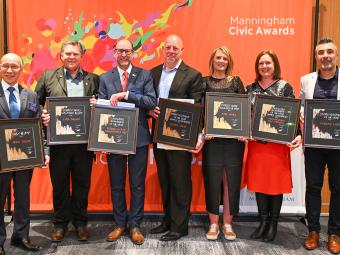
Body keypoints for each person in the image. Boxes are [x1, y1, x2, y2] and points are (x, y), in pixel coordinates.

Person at [35, 40, 99, 242]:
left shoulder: (93, 79)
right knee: (60, 184)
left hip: (84, 144)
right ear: (61, 56)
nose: (72, 57)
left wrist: (98, 105)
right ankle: (60, 224)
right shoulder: (47, 77)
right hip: (58, 144)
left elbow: (103, 107)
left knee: (82, 184)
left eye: (76, 54)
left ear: (82, 56)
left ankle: (81, 223)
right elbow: (33, 103)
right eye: (68, 54)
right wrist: (42, 115)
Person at [97, 39, 156, 245]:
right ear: (114, 53)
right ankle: (120, 223)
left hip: (138, 138)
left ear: (133, 53)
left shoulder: (145, 75)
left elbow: (151, 102)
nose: (123, 54)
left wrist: (127, 94)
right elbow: (102, 108)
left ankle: (135, 225)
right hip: (114, 138)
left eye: (127, 51)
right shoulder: (105, 78)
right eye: (120, 51)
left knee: (137, 185)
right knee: (116, 184)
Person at [148, 34, 203, 241]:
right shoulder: (153, 73)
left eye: (175, 48)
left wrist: (196, 136)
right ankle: (168, 220)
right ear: (163, 49)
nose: (171, 51)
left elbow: (197, 107)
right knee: (165, 180)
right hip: (158, 136)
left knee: (180, 181)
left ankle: (180, 226)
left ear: (182, 51)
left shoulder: (193, 75)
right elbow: (147, 100)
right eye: (168, 47)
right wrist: (149, 111)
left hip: (180, 137)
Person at [245, 50, 300, 242]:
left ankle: (273, 224)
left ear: (275, 65)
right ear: (257, 67)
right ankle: (262, 222)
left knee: (275, 186)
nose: (264, 67)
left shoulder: (285, 87)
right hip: (256, 146)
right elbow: (244, 116)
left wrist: (297, 134)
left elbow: (292, 116)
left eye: (268, 63)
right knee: (260, 184)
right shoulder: (249, 88)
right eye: (261, 63)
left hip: (277, 146)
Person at [0, 53, 49, 254]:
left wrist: (44, 150)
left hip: (24, 157)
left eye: (14, 66)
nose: (10, 70)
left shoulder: (31, 96)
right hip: (0, 159)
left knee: (23, 198)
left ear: (21, 69)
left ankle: (21, 236)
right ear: (0, 68)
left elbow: (38, 126)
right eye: (6, 66)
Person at [200, 46, 245, 241]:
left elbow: (244, 108)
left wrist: (244, 130)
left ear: (229, 62)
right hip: (212, 141)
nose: (221, 61)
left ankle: (227, 224)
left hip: (234, 142)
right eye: (218, 58)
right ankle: (213, 223)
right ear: (212, 60)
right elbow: (200, 109)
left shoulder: (236, 81)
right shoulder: (203, 82)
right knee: (212, 181)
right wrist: (203, 130)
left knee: (231, 182)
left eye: (224, 59)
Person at [300, 37, 340, 254]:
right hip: (314, 145)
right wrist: (301, 118)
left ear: (336, 55)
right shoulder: (306, 80)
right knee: (313, 187)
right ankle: (313, 231)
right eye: (321, 52)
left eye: (329, 52)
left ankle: (335, 233)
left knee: (338, 189)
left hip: (339, 146)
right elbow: (302, 107)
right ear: (316, 56)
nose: (325, 56)